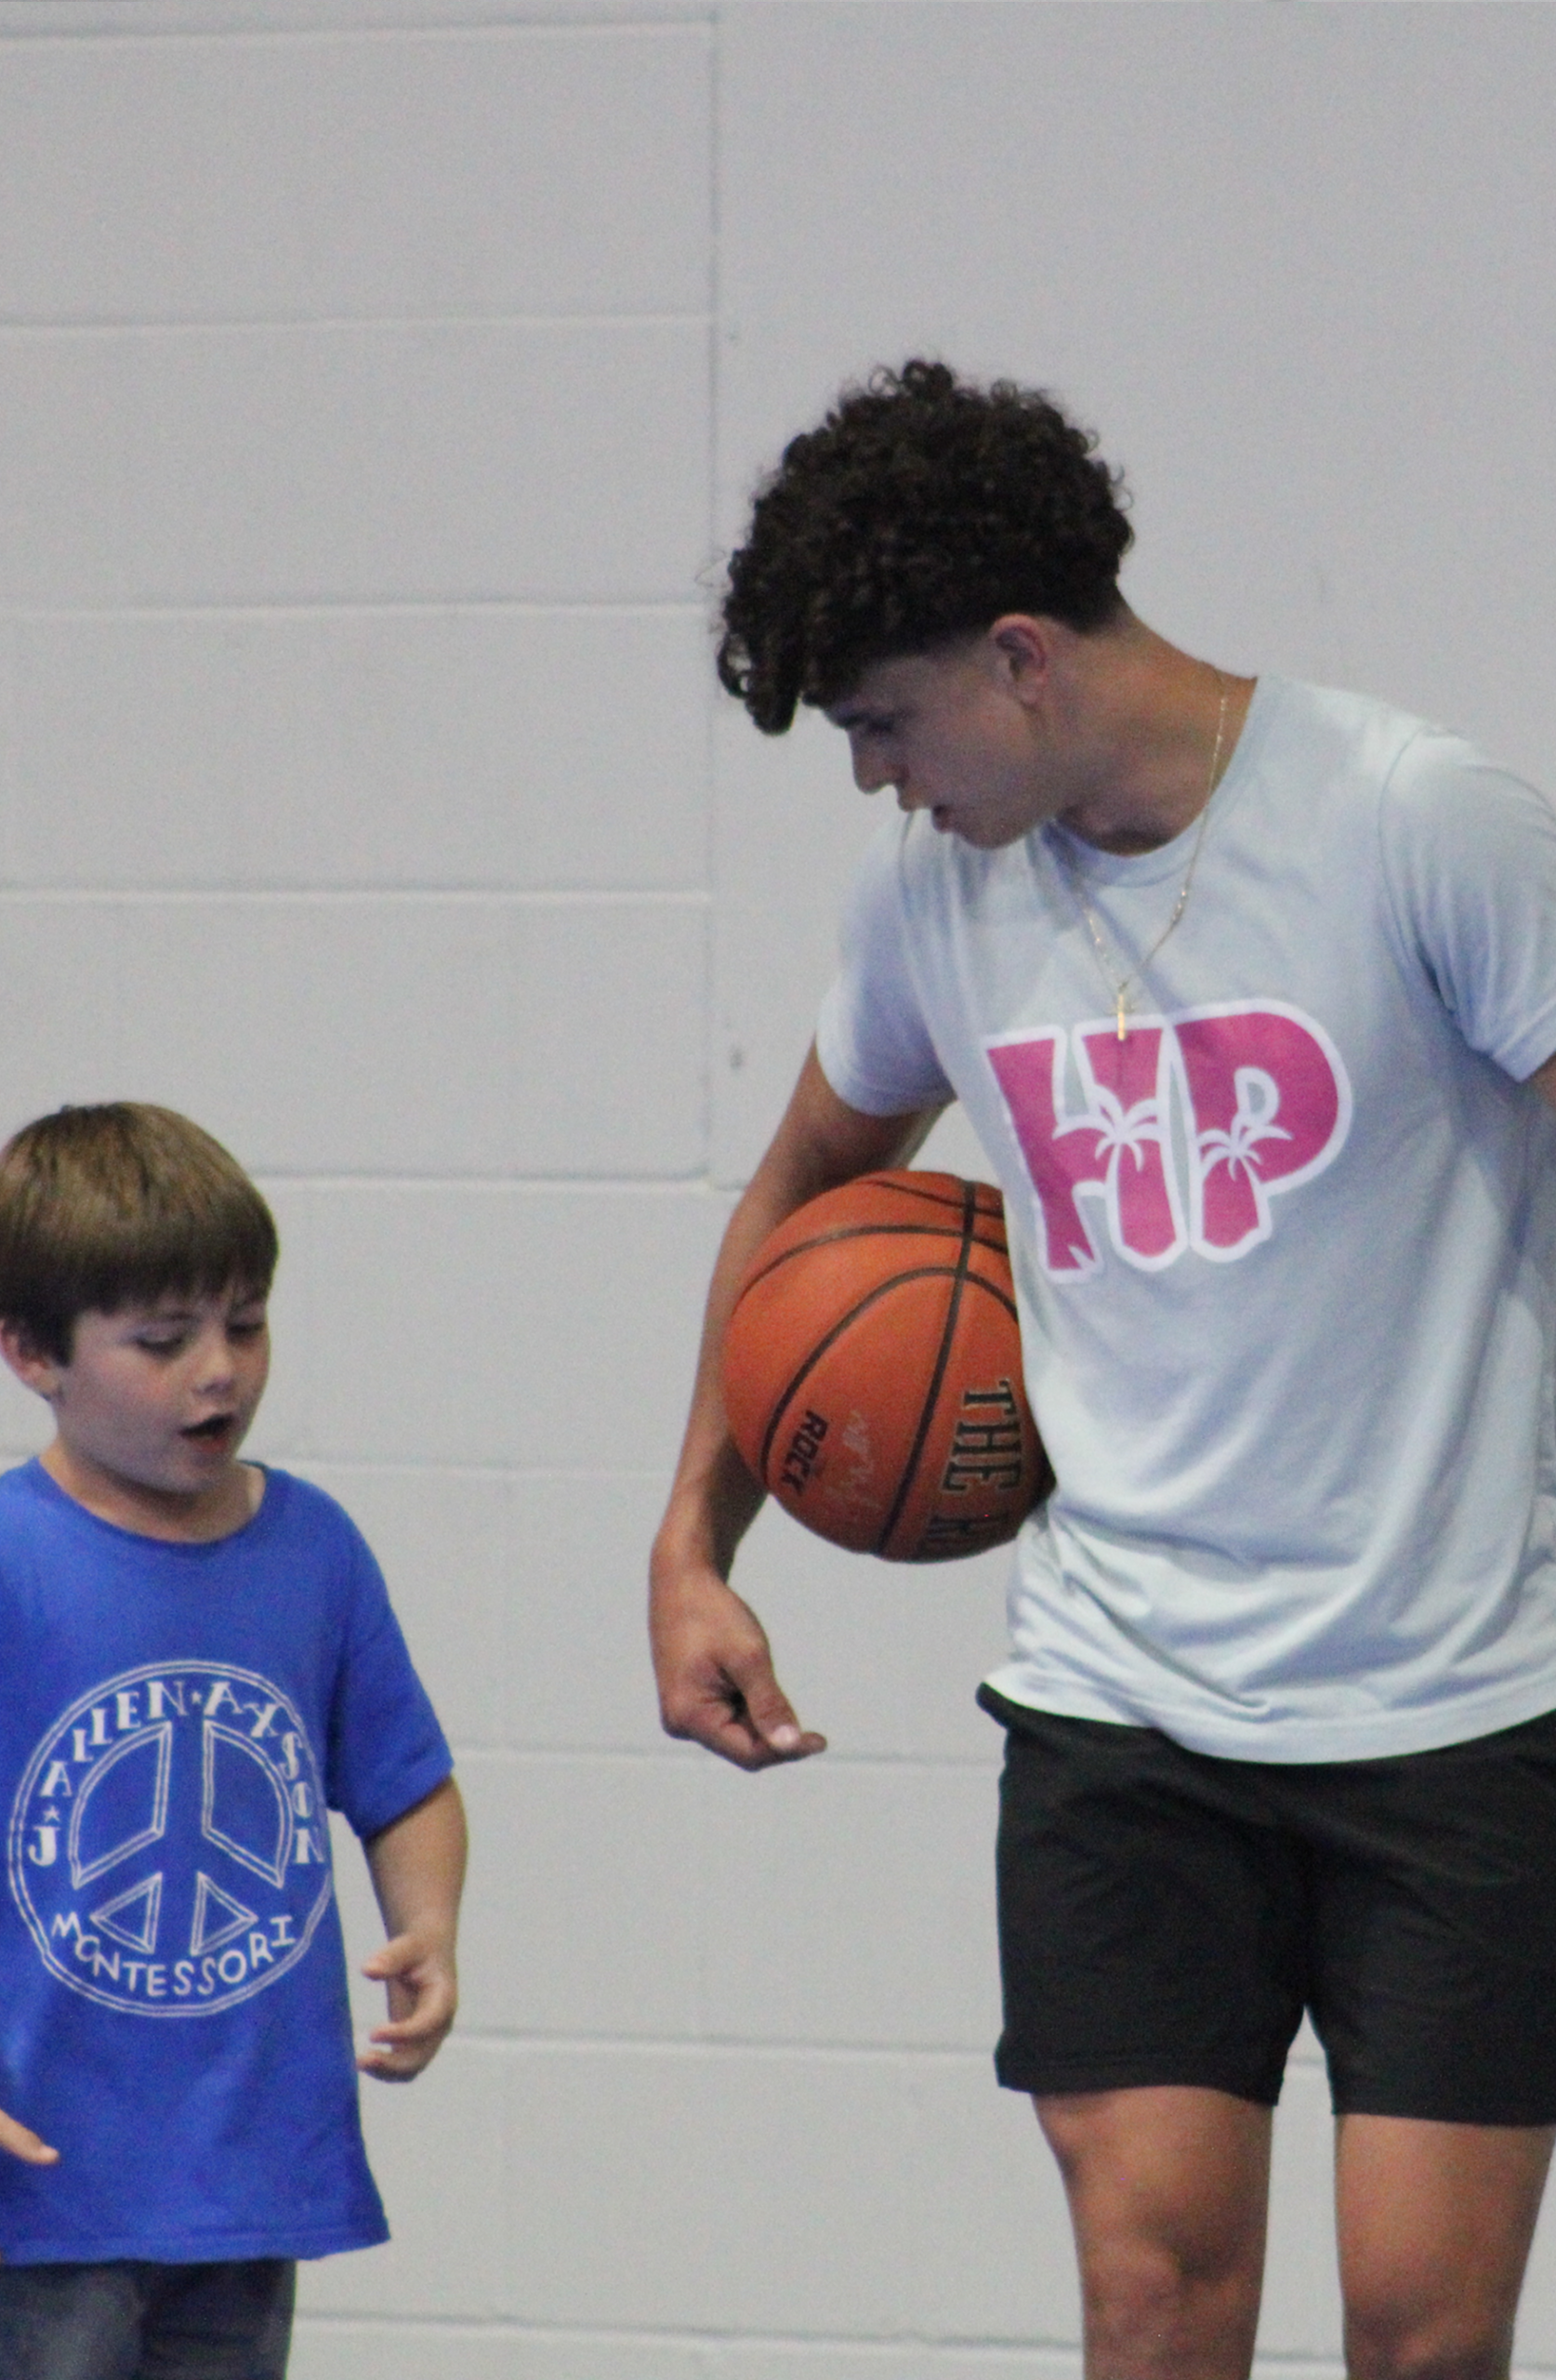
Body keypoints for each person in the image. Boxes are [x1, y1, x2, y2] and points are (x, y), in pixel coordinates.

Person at [649, 360, 1556, 2380]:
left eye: (884, 720)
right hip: (1121, 1703)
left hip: (1451, 1704)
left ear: (1021, 656)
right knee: (1153, 2306)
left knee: (1422, 2333)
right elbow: (802, 1199)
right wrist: (693, 1540)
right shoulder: (931, 901)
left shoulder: (1415, 823)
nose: (877, 777)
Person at [0, 1103, 467, 2380]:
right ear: (30, 1351)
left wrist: (429, 1927)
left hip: (241, 2187)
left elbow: (405, 1784)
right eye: (163, 1340)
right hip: (21, 2192)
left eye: (244, 1322)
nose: (220, 1371)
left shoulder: (314, 1553)